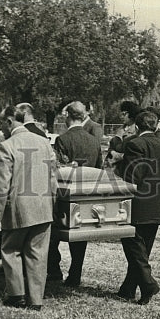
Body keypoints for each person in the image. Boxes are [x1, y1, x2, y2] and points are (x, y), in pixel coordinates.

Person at [0, 103, 56, 310]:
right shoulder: (44, 143)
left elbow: (1, 185)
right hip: (43, 209)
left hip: (17, 210)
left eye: (1, 122)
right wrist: (51, 205)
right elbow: (53, 180)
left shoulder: (7, 146)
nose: (0, 127)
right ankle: (36, 300)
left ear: (9, 121)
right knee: (38, 254)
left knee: (10, 250)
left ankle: (16, 296)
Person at [116, 109, 160, 305]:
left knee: (133, 247)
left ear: (137, 126)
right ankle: (128, 289)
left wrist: (119, 165)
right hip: (159, 206)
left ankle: (148, 284)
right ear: (155, 126)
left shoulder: (135, 144)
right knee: (143, 248)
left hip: (138, 203)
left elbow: (133, 176)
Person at [47, 101, 103, 287]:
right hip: (87, 194)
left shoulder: (63, 139)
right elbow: (99, 169)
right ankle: (75, 273)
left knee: (53, 234)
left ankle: (54, 270)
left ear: (67, 117)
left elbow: (56, 170)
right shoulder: (94, 141)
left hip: (65, 194)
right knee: (80, 237)